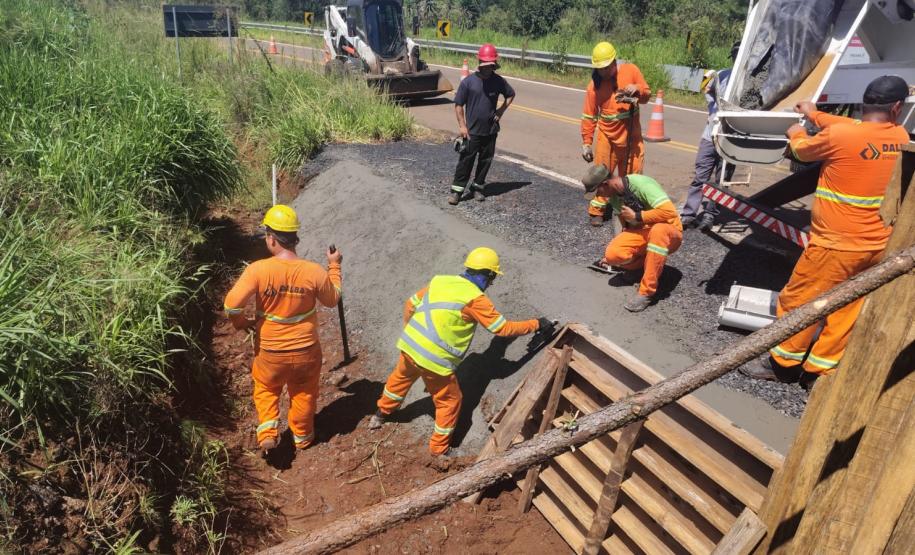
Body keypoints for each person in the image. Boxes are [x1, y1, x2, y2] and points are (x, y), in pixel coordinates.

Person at [741, 75, 910, 391]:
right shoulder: (900, 136)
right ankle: (818, 373)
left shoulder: (842, 136)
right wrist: (814, 112)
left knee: (800, 302)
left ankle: (783, 365)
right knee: (846, 308)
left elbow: (803, 151)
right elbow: (854, 130)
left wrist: (797, 130)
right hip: (875, 245)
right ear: (897, 107)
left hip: (835, 245)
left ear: (865, 102)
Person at [367, 247, 554, 456]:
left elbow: (410, 305)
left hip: (409, 346)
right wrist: (537, 324)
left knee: (399, 379)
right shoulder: (475, 299)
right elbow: (502, 329)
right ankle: (439, 450)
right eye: (492, 279)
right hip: (434, 361)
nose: (491, 284)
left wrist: (412, 332)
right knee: (450, 401)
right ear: (489, 275)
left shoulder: (440, 281)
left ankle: (380, 414)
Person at [223, 205, 342, 455]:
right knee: (304, 393)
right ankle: (302, 437)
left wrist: (241, 323)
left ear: (271, 238)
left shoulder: (258, 270)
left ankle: (267, 433)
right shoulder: (314, 271)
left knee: (266, 389)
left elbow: (232, 305)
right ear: (294, 238)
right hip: (307, 351)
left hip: (271, 351)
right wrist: (334, 267)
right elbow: (333, 299)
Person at [585, 166, 683, 312]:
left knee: (658, 230)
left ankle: (647, 292)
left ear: (605, 184)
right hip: (644, 232)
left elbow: (669, 212)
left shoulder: (642, 184)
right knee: (613, 254)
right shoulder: (614, 196)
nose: (598, 195)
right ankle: (640, 268)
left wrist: (638, 216)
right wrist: (617, 251)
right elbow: (626, 224)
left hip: (669, 232)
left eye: (598, 191)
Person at [581, 41, 652, 226]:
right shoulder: (593, 86)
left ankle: (631, 213)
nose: (603, 72)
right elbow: (589, 115)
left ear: (614, 61)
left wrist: (637, 90)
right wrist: (586, 142)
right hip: (607, 138)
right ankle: (597, 210)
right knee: (603, 177)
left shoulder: (631, 71)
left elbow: (646, 95)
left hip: (631, 137)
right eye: (600, 69)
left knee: (633, 179)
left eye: (606, 67)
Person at [680, 41, 740, 230]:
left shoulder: (750, 81)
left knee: (722, 179)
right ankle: (689, 214)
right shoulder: (721, 74)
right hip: (711, 133)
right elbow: (708, 95)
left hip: (732, 137)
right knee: (701, 175)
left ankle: (710, 214)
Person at [450, 44, 515, 205]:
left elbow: (511, 94)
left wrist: (500, 111)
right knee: (466, 161)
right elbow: (458, 105)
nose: (488, 68)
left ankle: (477, 188)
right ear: (480, 63)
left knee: (486, 160)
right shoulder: (469, 82)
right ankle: (457, 191)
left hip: (490, 130)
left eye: (490, 65)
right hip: (472, 131)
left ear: (493, 64)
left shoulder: (498, 81)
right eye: (485, 65)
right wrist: (462, 126)